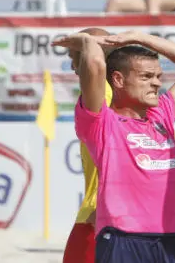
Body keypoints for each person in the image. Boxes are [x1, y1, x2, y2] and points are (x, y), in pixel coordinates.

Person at [52, 29, 175, 262]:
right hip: (125, 240)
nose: (157, 84)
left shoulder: (162, 115)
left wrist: (141, 38)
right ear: (118, 80)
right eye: (147, 77)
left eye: (158, 76)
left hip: (173, 240)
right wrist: (87, 41)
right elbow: (96, 64)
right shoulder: (102, 123)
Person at [62, 27, 113, 263]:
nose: (73, 67)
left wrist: (87, 44)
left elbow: (94, 66)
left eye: (75, 58)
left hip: (95, 214)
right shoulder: (133, 103)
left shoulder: (104, 95)